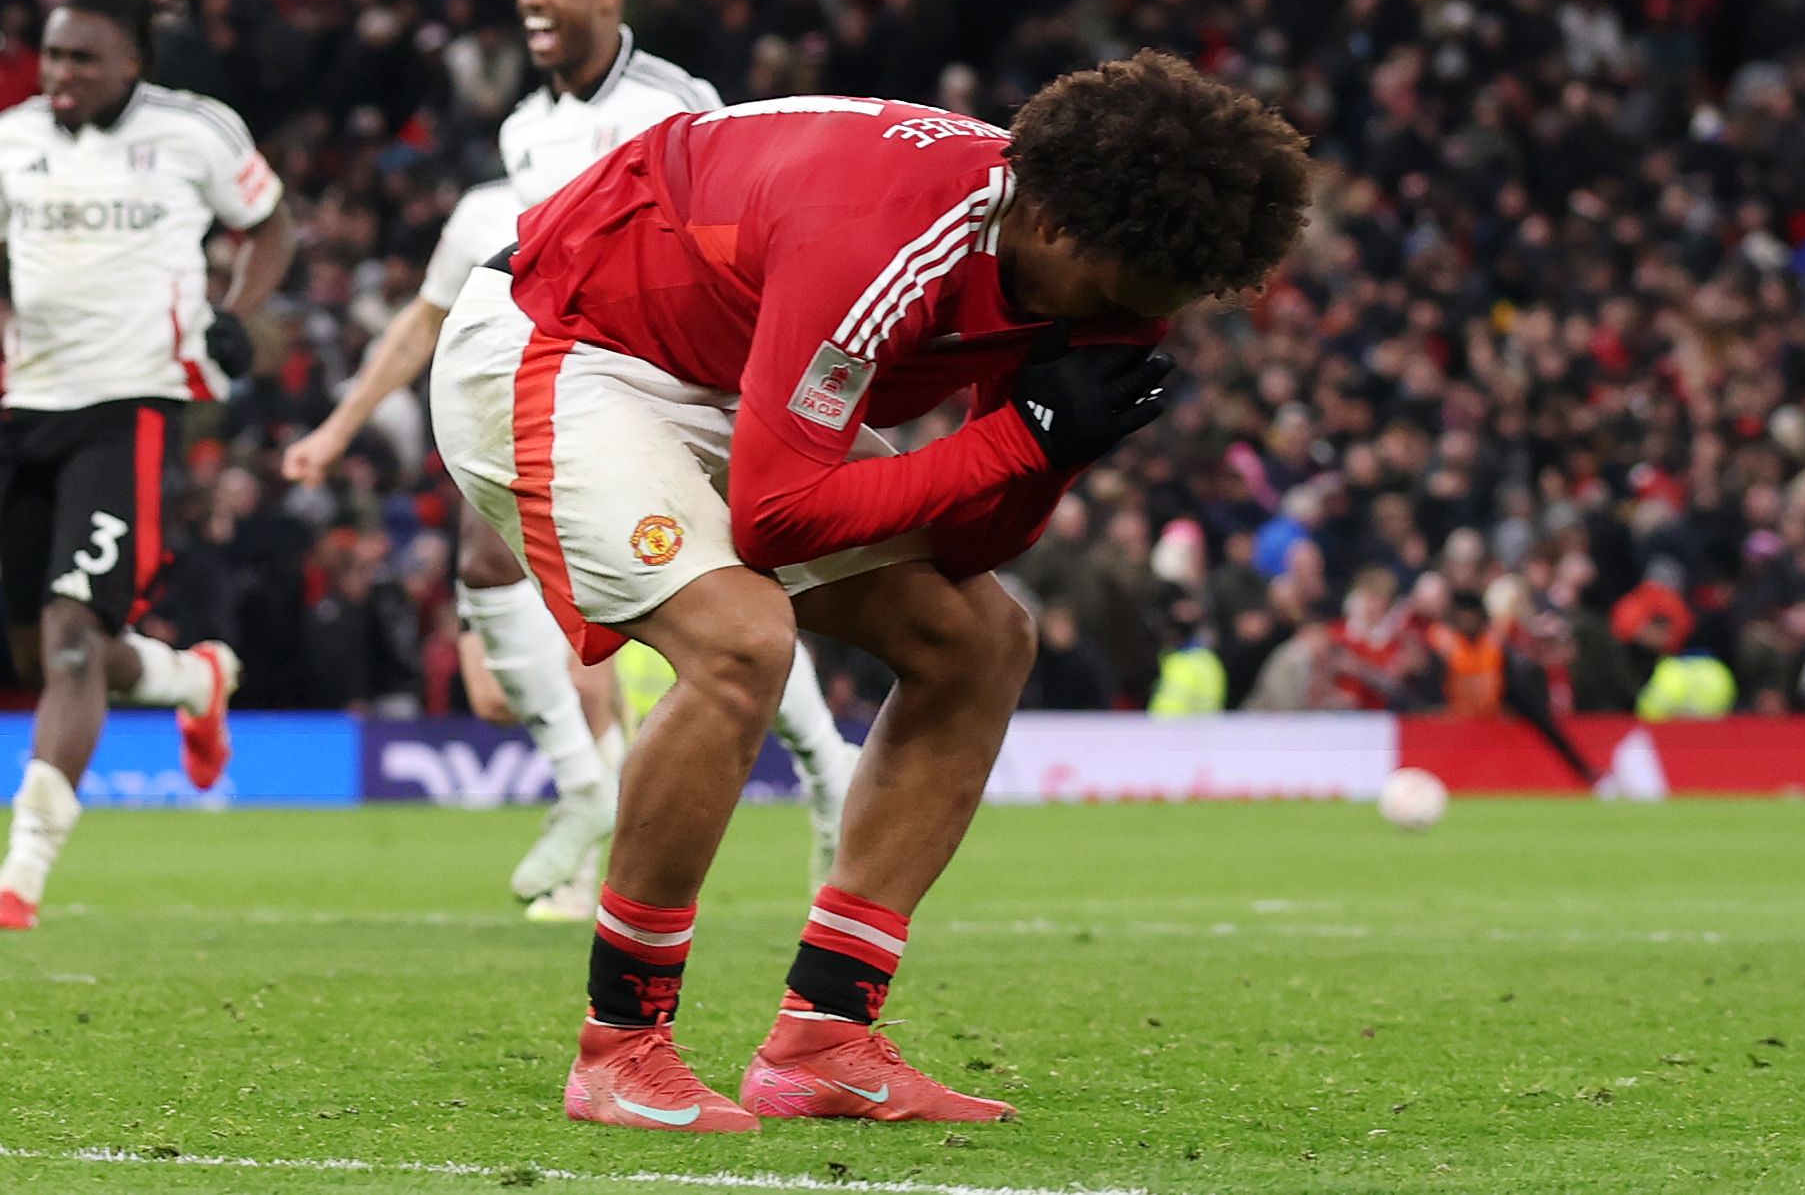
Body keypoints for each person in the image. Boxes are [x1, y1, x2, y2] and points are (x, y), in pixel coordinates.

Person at [431, 55, 1312, 1130]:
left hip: (726, 371)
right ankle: (620, 1047)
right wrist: (1023, 433)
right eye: (1124, 301)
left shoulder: (1110, 265)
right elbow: (774, 518)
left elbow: (973, 534)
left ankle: (823, 1040)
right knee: (739, 641)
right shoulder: (889, 231)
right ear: (1052, 228)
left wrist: (1048, 449)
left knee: (980, 642)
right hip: (560, 338)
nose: (1128, 325)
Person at [284, 0, 861, 921]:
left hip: (671, 371)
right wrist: (334, 432)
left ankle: (824, 770)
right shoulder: (523, 132)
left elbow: (739, 225)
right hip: (561, 371)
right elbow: (448, 308)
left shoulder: (676, 99)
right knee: (482, 558)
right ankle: (587, 785)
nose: (532, 3)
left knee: (727, 596)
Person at [0, 0, 296, 931]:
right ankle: (190, 679)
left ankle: (23, 868)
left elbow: (273, 223)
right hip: (28, 408)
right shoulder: (10, 139)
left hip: (133, 404)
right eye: (52, 55)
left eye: (83, 58)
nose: (60, 75)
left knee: (67, 644)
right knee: (47, 652)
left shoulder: (196, 131)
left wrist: (234, 314)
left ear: (133, 62)